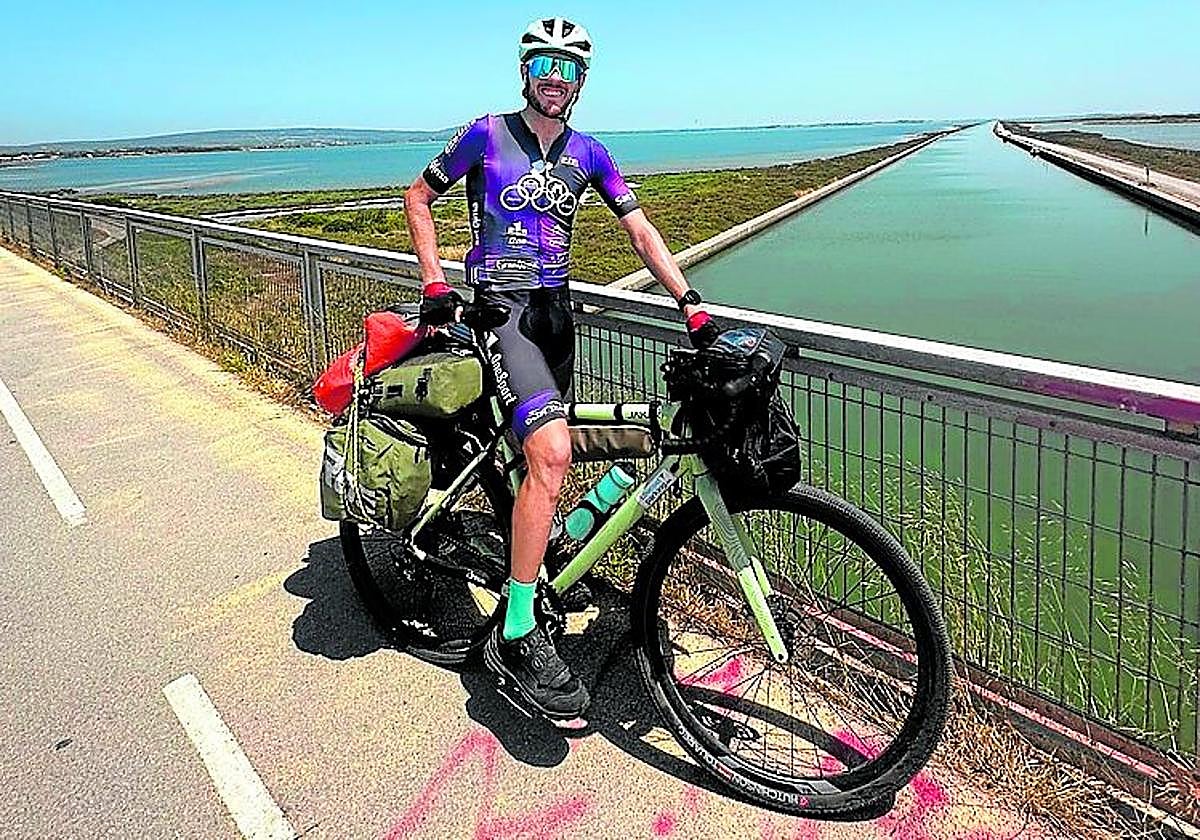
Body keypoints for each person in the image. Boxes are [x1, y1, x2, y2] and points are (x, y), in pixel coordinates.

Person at [404, 16, 720, 720]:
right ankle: (515, 631)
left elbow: (639, 229)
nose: (556, 78)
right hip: (503, 311)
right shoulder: (485, 133)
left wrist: (689, 301)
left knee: (554, 454)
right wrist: (434, 282)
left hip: (557, 314)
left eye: (570, 69)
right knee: (549, 454)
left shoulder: (590, 153)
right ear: (525, 72)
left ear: (582, 82)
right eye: (545, 65)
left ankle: (535, 560)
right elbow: (417, 196)